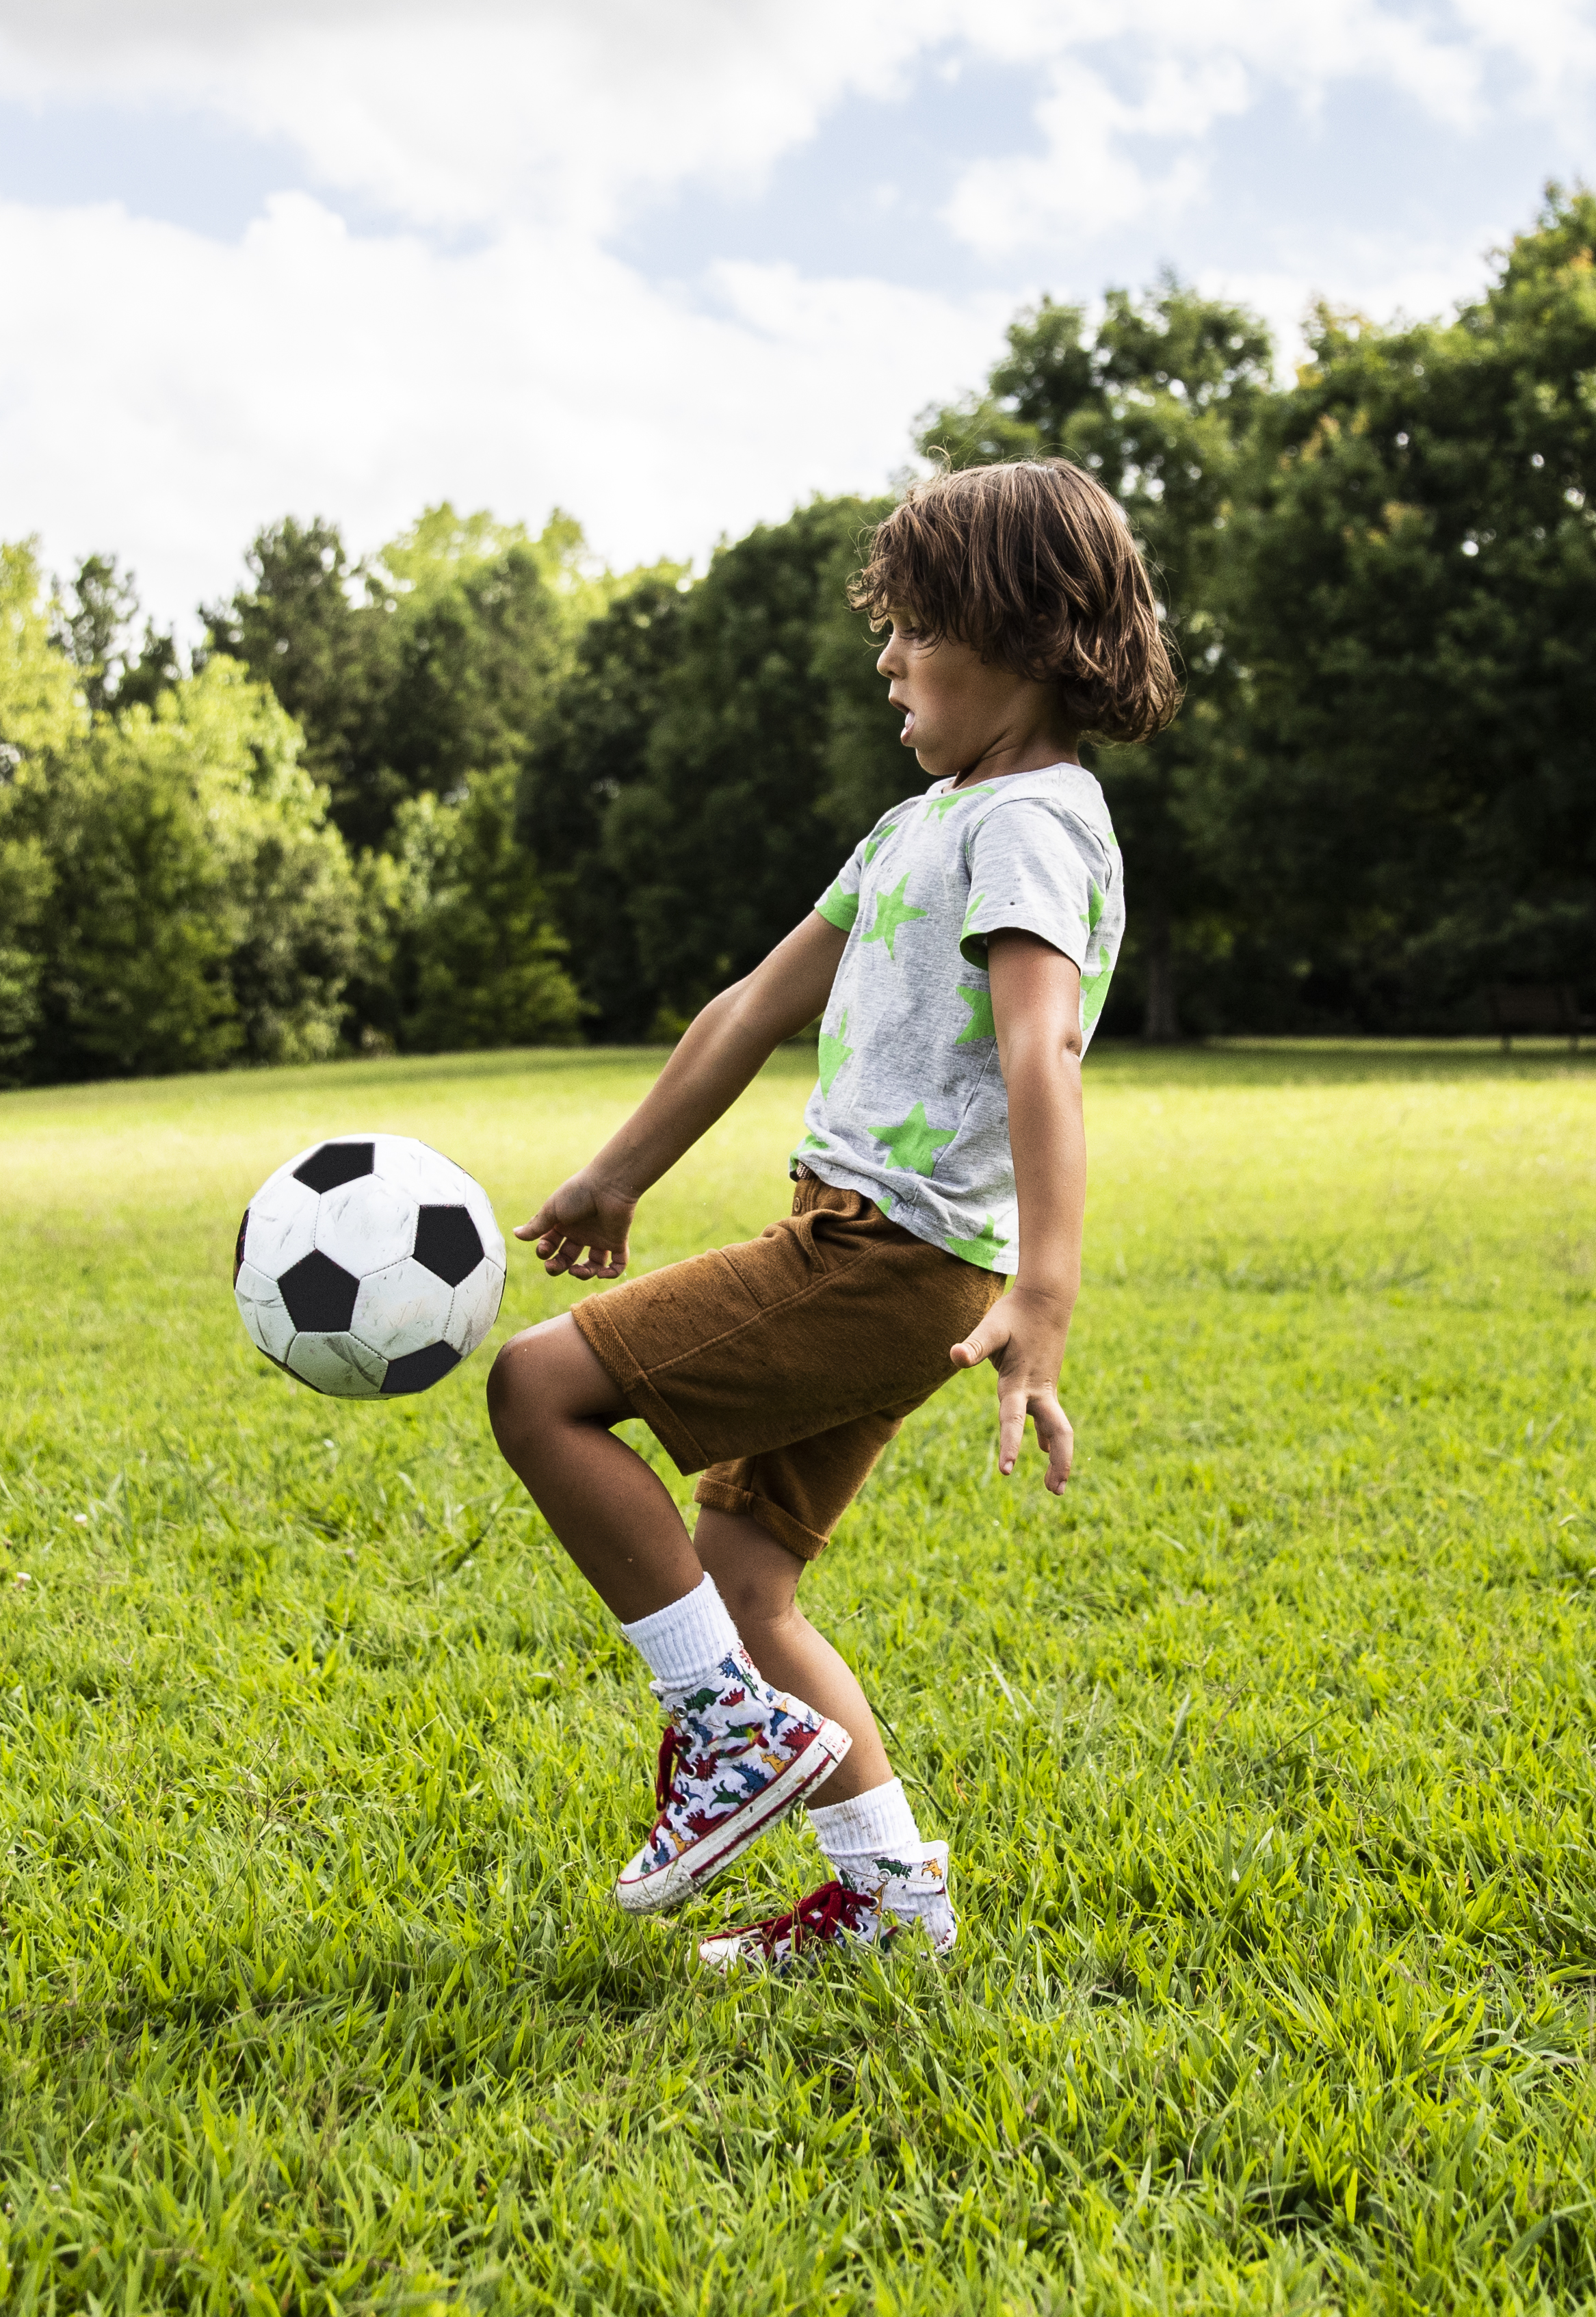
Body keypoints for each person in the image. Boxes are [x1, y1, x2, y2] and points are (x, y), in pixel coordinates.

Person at [484, 458, 1181, 1972]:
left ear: (1018, 631)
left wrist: (1047, 1297)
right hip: (875, 1247)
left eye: (913, 625)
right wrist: (620, 1170)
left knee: (538, 1386)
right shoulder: (919, 823)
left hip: (889, 1254)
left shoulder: (1034, 826)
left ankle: (729, 1729)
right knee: (742, 1573)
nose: (886, 658)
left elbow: (1042, 1047)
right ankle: (887, 1900)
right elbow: (752, 1004)